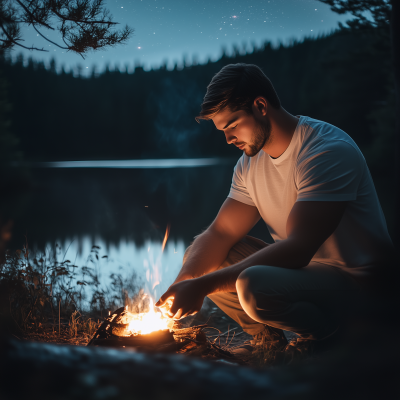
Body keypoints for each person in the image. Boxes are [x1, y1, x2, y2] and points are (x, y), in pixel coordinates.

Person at [155, 63, 394, 357]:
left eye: (232, 125)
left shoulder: (326, 151)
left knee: (252, 284)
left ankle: (324, 341)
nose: (228, 138)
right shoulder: (250, 163)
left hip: (359, 286)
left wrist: (203, 287)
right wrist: (187, 280)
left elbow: (299, 248)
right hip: (309, 276)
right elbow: (221, 232)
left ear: (260, 106)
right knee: (206, 255)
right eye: (222, 130)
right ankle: (269, 343)